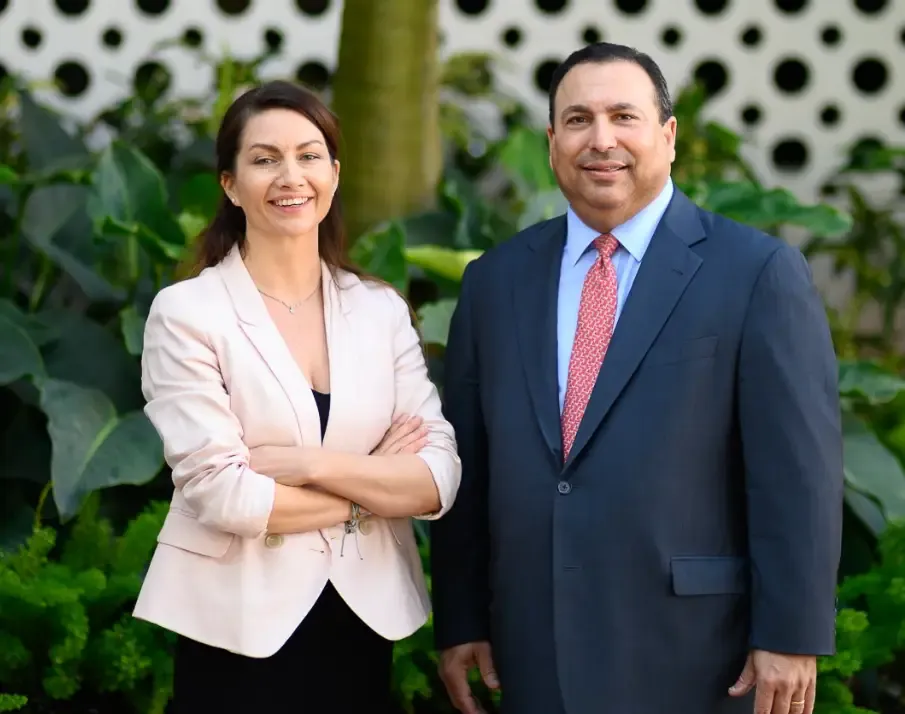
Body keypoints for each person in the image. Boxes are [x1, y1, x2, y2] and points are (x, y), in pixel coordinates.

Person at [430, 42, 843, 714]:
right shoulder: (494, 281)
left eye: (624, 116)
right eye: (576, 120)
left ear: (667, 135)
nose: (601, 140)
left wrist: (791, 634)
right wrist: (461, 618)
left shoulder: (755, 273)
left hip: (694, 652)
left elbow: (797, 472)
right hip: (533, 648)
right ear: (551, 140)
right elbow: (467, 464)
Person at [133, 80, 461, 714]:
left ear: (334, 175)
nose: (292, 176)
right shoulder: (187, 313)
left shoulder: (379, 310)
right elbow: (223, 492)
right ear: (230, 184)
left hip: (361, 622)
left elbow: (437, 476)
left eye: (310, 155)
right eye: (264, 159)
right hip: (237, 627)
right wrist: (371, 486)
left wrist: (312, 467)